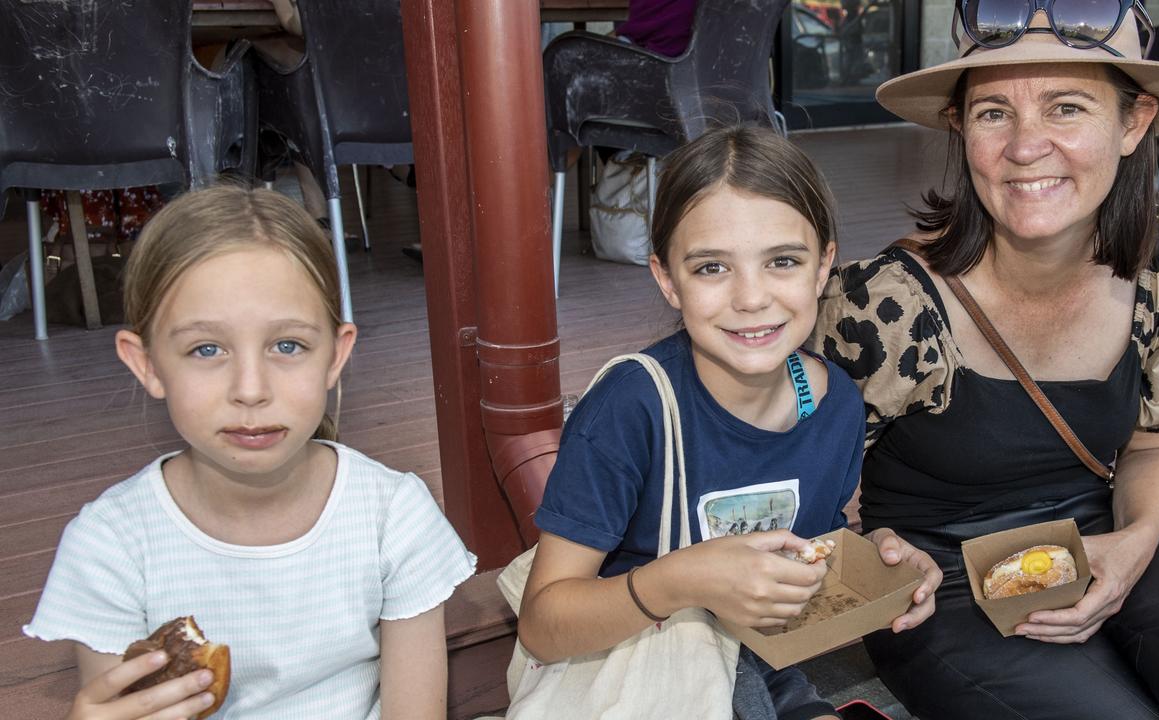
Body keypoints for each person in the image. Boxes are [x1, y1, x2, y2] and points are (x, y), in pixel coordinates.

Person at [811, 4, 1159, 718]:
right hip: (940, 580)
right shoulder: (888, 302)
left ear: (1133, 122)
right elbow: (795, 494)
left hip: (1105, 533)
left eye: (1066, 107)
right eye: (994, 113)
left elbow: (1158, 439)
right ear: (960, 127)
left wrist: (1135, 541)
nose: (1027, 147)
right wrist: (873, 551)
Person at [518, 126, 943, 720]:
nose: (751, 298)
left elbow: (807, 555)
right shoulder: (631, 407)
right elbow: (542, 624)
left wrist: (877, 559)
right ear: (667, 278)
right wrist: (677, 582)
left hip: (765, 670)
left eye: (783, 262)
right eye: (712, 267)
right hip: (637, 673)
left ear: (823, 268)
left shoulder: (837, 407)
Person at [23, 185, 475, 719]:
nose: (251, 388)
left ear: (335, 355)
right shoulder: (112, 547)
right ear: (146, 364)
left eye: (288, 345)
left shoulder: (392, 516)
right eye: (206, 349)